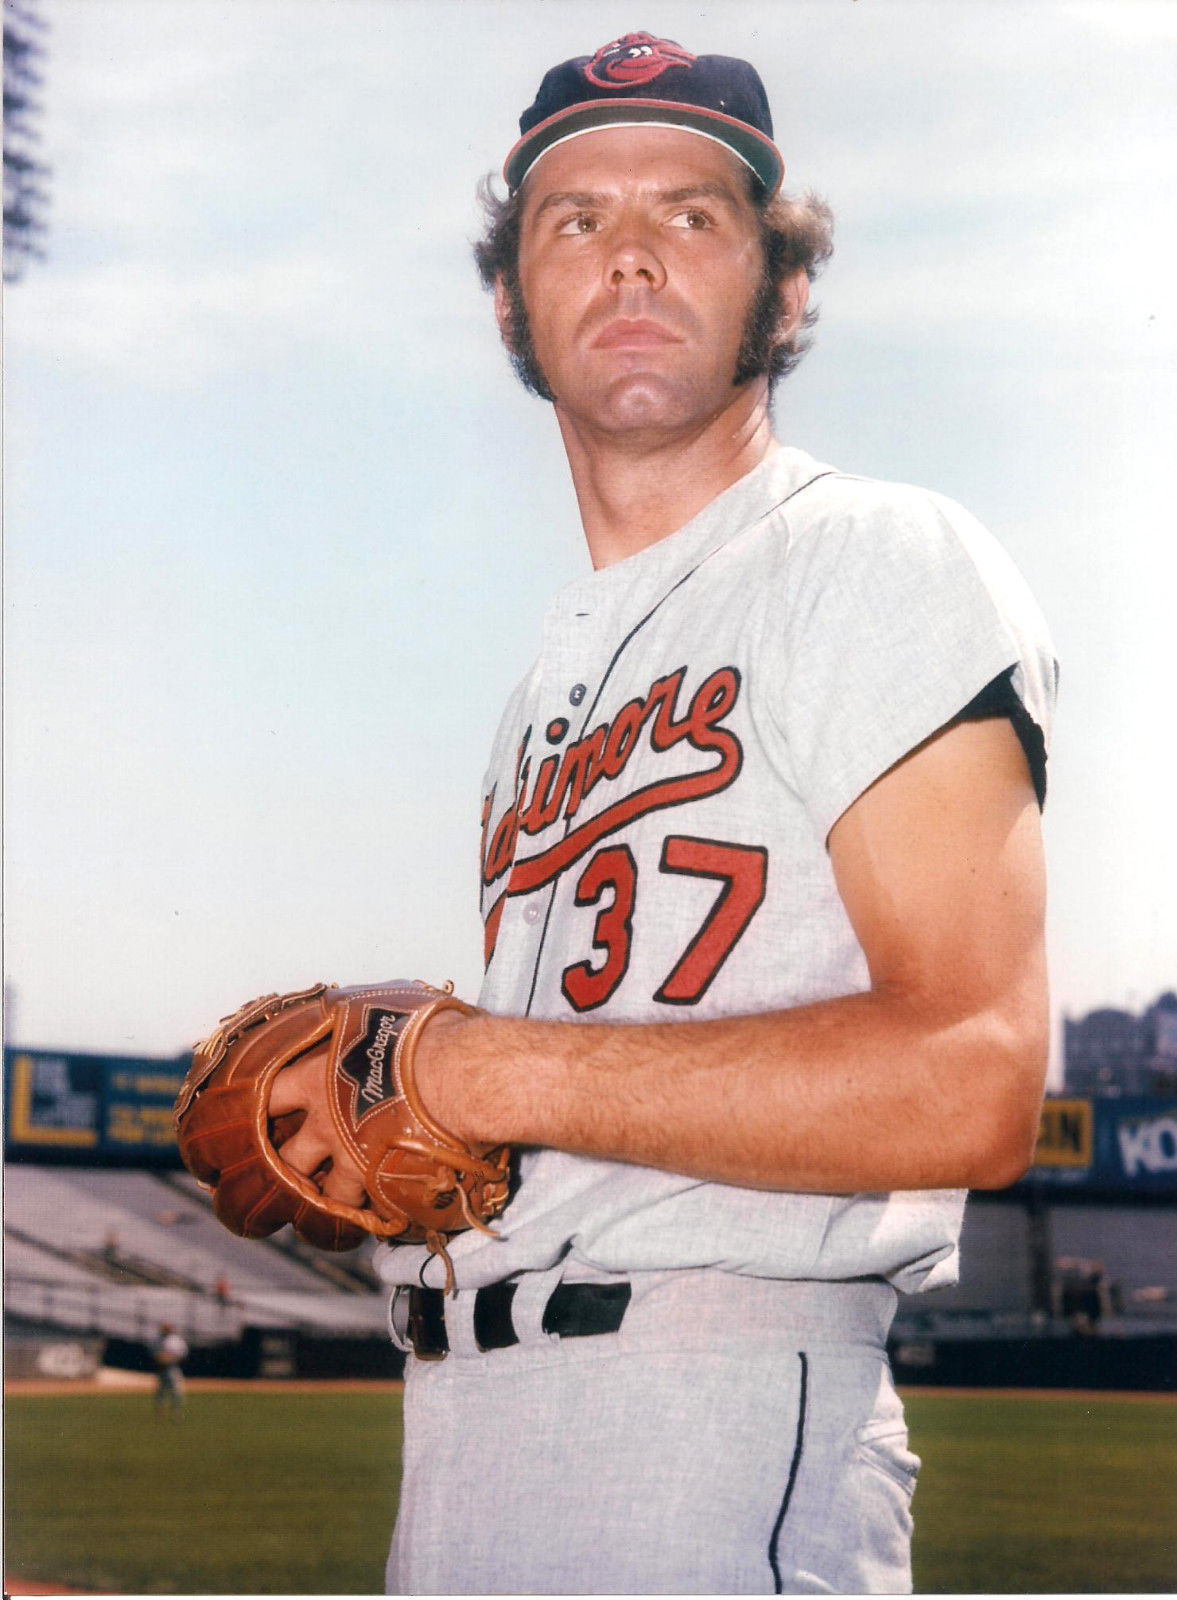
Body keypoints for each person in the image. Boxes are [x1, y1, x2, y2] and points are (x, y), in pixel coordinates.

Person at [267, 30, 1056, 1594]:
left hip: (711, 1421)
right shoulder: (540, 699)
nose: (628, 255)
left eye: (690, 215)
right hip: (460, 1426)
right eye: (575, 220)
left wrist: (474, 1068)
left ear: (786, 290)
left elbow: (969, 1076)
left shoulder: (871, 555)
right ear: (511, 305)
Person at [151, 1322, 188, 1420]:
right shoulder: (157, 1340)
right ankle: (160, 1412)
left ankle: (177, 1411)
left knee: (176, 1391)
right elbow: (154, 1353)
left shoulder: (176, 1340)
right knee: (161, 1392)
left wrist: (171, 1358)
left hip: (173, 1367)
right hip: (161, 1369)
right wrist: (160, 1357)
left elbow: (182, 1352)